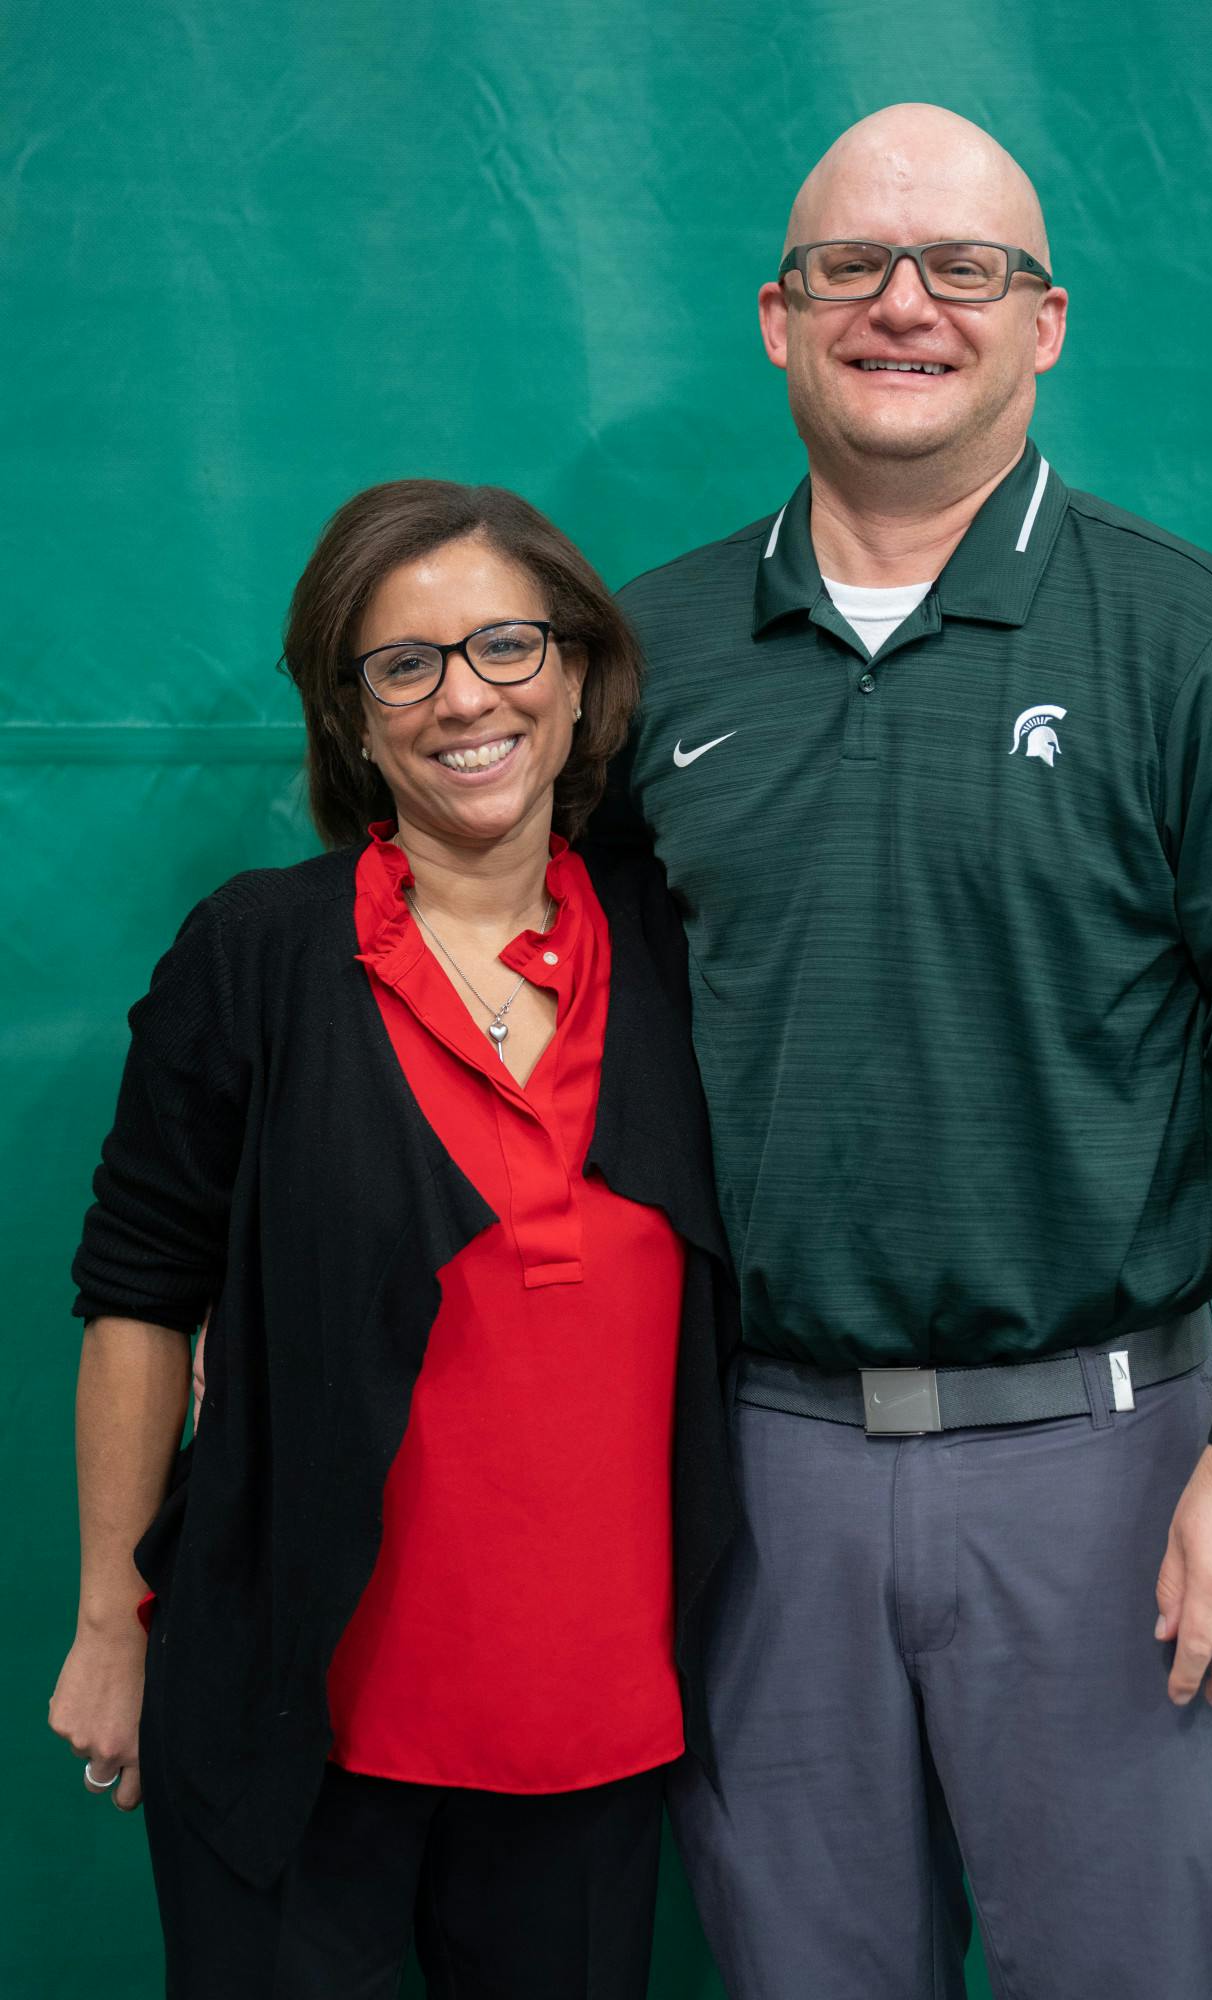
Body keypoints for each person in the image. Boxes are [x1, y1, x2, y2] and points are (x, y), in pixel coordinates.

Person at [599, 105, 1212, 1998]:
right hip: (755, 1473)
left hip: (1108, 1468)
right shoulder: (651, 655)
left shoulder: (1195, 643)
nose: (905, 307)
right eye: (851, 269)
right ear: (775, 319)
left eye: (965, 269)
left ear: (1047, 322)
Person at [48, 479, 738, 1999]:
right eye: (403, 665)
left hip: (594, 1738)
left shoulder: (686, 947)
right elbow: (139, 1295)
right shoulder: (257, 955)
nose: (463, 698)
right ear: (351, 719)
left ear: (576, 675)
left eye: (506, 645)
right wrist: (111, 1618)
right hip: (300, 1729)